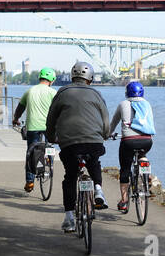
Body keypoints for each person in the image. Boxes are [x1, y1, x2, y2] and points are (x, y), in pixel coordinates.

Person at [46, 61, 111, 233]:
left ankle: (69, 218)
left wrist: (52, 137)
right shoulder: (97, 94)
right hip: (93, 142)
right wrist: (104, 135)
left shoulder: (62, 92)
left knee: (70, 177)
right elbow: (105, 120)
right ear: (90, 78)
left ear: (72, 76)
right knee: (94, 161)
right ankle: (98, 189)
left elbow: (51, 119)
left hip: (69, 144)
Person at [108, 80, 155, 213]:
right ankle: (146, 172)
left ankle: (124, 201)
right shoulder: (147, 104)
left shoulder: (123, 104)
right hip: (147, 141)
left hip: (128, 141)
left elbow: (113, 123)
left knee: (125, 169)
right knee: (142, 153)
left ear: (127, 93)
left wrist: (107, 134)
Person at [12, 67, 57, 192]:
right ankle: (49, 162)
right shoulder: (53, 93)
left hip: (33, 127)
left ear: (40, 78)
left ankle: (30, 181)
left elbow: (20, 108)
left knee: (31, 152)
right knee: (49, 146)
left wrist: (16, 119)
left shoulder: (30, 91)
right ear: (51, 80)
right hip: (49, 127)